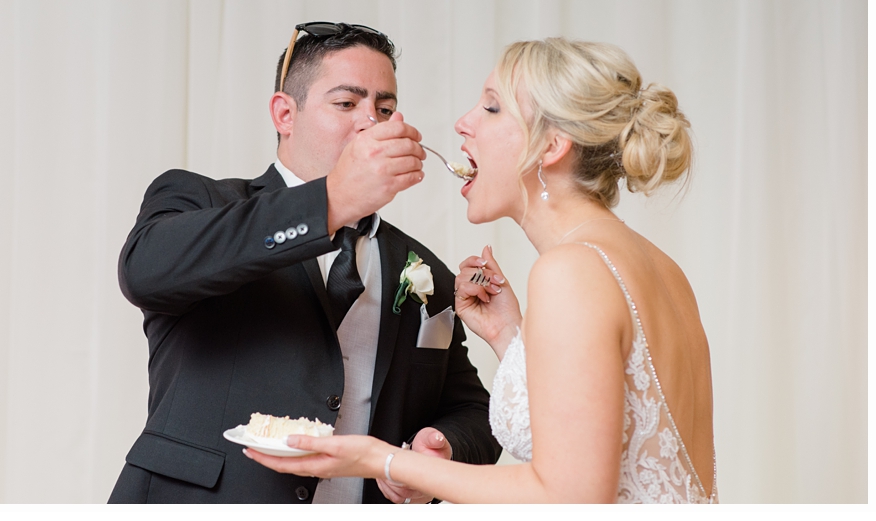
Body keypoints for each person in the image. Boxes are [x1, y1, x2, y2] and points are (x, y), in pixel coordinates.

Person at [245, 37, 719, 504]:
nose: (463, 123)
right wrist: (509, 335)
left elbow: (571, 496)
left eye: (491, 108)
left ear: (551, 145)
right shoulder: (655, 265)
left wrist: (379, 460)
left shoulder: (570, 271)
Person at [108, 22, 501, 504]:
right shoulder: (199, 200)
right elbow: (145, 271)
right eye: (345, 104)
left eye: (385, 108)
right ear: (284, 114)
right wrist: (331, 201)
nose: (370, 123)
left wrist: (439, 449)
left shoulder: (426, 272)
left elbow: (473, 411)